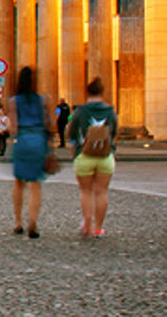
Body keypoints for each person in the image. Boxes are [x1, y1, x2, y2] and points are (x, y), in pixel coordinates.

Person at [67, 77, 118, 238]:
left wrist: (74, 146)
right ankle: (99, 228)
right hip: (105, 156)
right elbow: (114, 132)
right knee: (102, 192)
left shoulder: (80, 111)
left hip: (85, 155)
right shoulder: (110, 111)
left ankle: (87, 223)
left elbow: (71, 132)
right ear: (103, 93)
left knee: (86, 191)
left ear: (87, 93)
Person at [8, 66, 53, 239]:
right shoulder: (43, 100)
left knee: (19, 183)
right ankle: (33, 222)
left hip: (23, 140)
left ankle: (18, 222)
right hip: (38, 140)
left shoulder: (14, 101)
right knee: (35, 184)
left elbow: (13, 127)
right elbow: (51, 124)